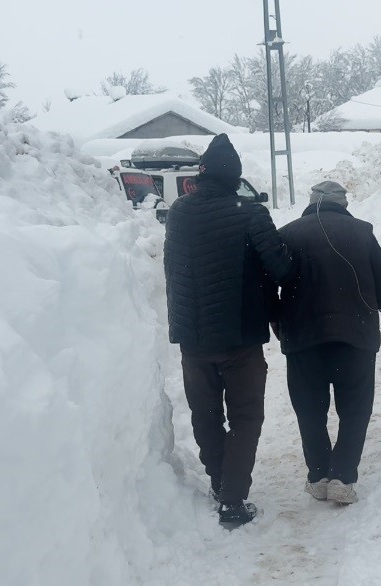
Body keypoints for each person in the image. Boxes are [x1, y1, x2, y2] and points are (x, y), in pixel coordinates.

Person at [163, 134, 293, 526]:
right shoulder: (250, 212)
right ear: (234, 177)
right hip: (241, 337)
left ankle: (220, 484)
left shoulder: (180, 212)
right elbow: (282, 268)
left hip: (193, 338)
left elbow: (173, 269)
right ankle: (233, 499)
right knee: (245, 416)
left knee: (205, 414)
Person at [276, 181, 381, 504]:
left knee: (310, 410)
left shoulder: (288, 234)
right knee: (355, 410)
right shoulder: (361, 232)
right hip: (355, 338)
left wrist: (280, 324)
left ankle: (318, 475)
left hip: (303, 339)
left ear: (311, 201)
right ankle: (343, 478)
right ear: (342, 203)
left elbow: (270, 285)